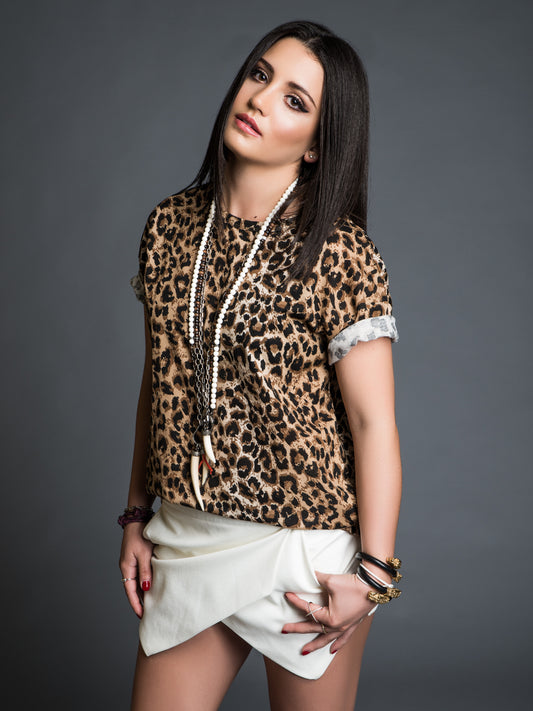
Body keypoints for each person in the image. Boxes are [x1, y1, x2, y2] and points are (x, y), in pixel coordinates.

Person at [119, 19, 403, 711]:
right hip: (187, 537)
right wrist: (135, 514)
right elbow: (160, 382)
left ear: (316, 144)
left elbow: (372, 424)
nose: (260, 99)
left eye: (294, 101)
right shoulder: (168, 227)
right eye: (260, 75)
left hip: (302, 553)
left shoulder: (338, 252)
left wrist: (372, 574)